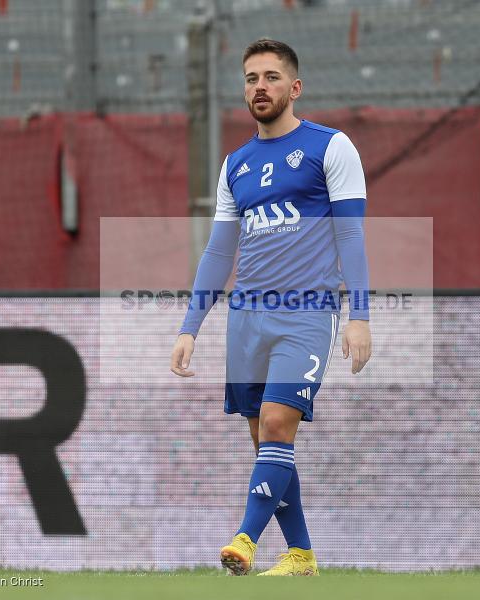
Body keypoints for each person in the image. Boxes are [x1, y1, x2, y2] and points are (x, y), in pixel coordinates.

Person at [170, 38, 371, 576]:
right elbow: (219, 253)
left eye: (271, 77)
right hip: (247, 319)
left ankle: (245, 538)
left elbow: (351, 236)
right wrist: (191, 326)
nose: (260, 87)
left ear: (295, 87)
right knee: (265, 440)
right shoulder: (235, 165)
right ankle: (301, 554)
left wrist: (359, 316)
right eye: (251, 78)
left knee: (279, 424)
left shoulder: (331, 147)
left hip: (307, 312)